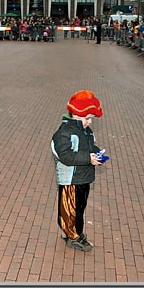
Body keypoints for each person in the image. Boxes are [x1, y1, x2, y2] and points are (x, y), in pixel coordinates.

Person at [51, 90, 104, 252]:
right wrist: (88, 158)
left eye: (91, 119)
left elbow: (89, 146)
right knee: (69, 209)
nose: (89, 122)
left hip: (83, 177)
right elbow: (65, 156)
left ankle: (73, 232)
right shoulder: (64, 133)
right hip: (70, 179)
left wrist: (96, 153)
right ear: (75, 114)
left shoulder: (86, 131)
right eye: (87, 118)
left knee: (79, 208)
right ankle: (72, 236)